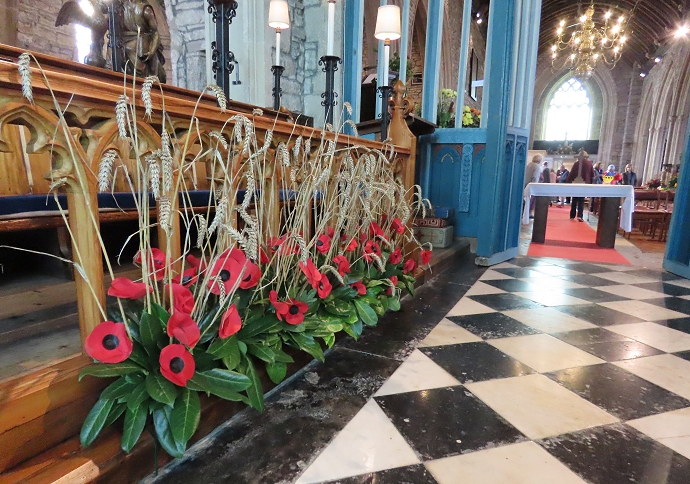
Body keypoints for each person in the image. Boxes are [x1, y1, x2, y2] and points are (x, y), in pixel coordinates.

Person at [566, 151, 595, 222]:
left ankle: (572, 216)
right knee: (581, 200)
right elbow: (592, 175)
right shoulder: (589, 164)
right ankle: (580, 216)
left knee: (574, 199)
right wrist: (590, 184)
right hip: (584, 183)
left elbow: (571, 174)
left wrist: (568, 182)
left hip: (576, 183)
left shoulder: (576, 164)